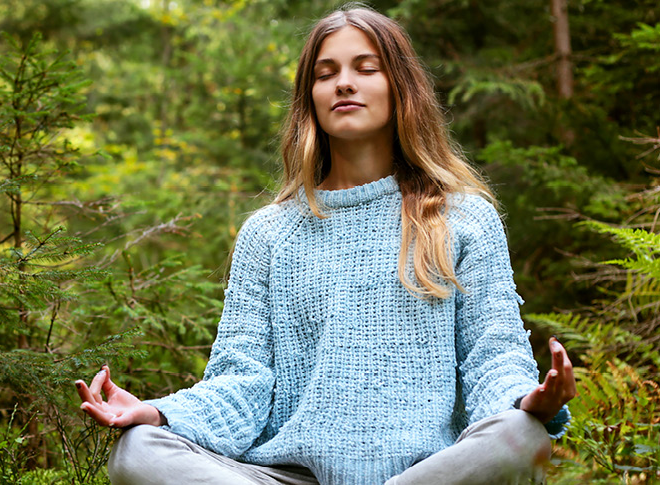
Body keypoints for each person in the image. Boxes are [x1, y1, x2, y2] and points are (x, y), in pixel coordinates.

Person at [75, 4, 577, 484]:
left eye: (365, 67)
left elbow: (494, 357)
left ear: (400, 87)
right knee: (139, 451)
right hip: (289, 475)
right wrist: (159, 412)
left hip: (427, 472)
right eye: (325, 72)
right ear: (310, 96)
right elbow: (241, 382)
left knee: (519, 433)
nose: (343, 82)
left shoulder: (463, 218)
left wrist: (526, 401)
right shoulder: (269, 234)